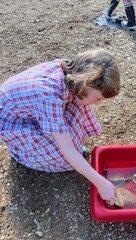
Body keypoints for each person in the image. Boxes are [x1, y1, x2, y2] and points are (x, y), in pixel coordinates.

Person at [0, 48, 120, 205]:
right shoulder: (48, 97)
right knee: (65, 160)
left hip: (30, 109)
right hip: (13, 122)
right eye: (98, 99)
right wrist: (101, 183)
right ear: (85, 84)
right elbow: (67, 150)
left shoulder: (71, 75)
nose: (97, 103)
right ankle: (22, 154)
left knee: (78, 108)